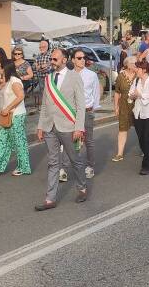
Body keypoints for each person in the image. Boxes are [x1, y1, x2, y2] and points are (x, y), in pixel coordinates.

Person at [35, 48, 88, 210]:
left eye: (55, 59)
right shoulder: (49, 79)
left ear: (64, 60)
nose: (52, 61)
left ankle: (82, 188)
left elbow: (81, 105)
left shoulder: (75, 77)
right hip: (50, 127)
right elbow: (44, 105)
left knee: (75, 160)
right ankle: (50, 199)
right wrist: (40, 126)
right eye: (51, 59)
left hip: (68, 127)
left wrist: (79, 127)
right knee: (53, 162)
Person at [0, 62, 30, 177]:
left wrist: (8, 108)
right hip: (5, 116)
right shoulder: (6, 81)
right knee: (1, 142)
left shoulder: (14, 81)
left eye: (1, 68)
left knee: (19, 142)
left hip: (16, 115)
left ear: (6, 68)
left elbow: (21, 96)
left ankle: (24, 167)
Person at [64, 49, 100, 178]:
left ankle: (90, 166)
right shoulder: (68, 75)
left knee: (88, 141)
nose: (83, 60)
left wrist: (92, 109)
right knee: (69, 140)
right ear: (73, 60)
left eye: (84, 57)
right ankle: (65, 168)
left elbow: (96, 94)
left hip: (86, 112)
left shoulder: (91, 75)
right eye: (79, 58)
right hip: (71, 113)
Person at [129, 58, 149, 175]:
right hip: (138, 113)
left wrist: (139, 94)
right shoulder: (136, 81)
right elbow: (131, 93)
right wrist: (133, 96)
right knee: (141, 138)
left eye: (138, 68)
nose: (136, 70)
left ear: (144, 70)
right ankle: (148, 157)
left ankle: (148, 165)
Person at [111, 53, 136, 162]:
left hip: (138, 104)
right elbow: (117, 92)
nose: (136, 65)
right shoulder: (121, 76)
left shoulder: (138, 75)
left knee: (141, 128)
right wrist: (116, 107)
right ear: (128, 65)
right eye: (134, 63)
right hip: (124, 105)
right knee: (122, 128)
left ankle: (145, 149)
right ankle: (120, 153)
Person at [11, 47, 36, 115]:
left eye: (19, 54)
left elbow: (31, 75)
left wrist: (22, 77)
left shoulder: (26, 63)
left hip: (23, 84)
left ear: (22, 55)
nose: (17, 55)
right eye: (15, 54)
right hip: (12, 84)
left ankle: (19, 114)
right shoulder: (12, 63)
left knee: (20, 100)